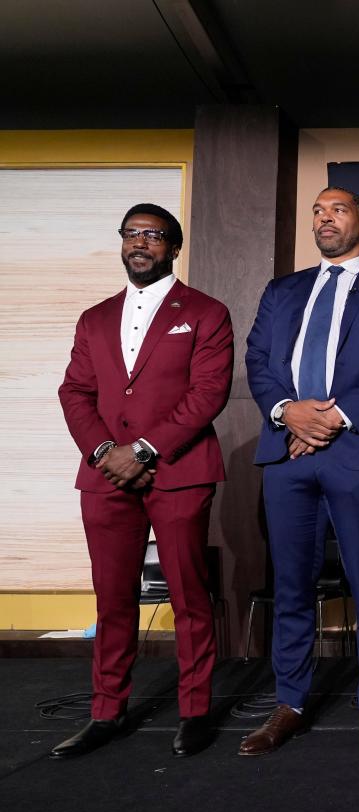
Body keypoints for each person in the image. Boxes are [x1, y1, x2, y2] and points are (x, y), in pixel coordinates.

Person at [241, 186, 359, 756]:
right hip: (286, 456)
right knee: (292, 587)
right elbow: (257, 360)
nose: (324, 218)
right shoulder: (283, 290)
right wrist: (287, 413)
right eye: (317, 211)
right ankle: (290, 703)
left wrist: (332, 418)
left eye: (337, 210)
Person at [55, 204, 233, 759]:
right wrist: (108, 452)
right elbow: (75, 393)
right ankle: (107, 713)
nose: (140, 243)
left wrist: (147, 449)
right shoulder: (95, 317)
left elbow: (208, 393)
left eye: (153, 235)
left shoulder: (206, 311)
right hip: (105, 477)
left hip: (179, 473)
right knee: (112, 600)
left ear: (174, 247)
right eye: (131, 234)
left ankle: (196, 710)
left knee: (188, 597)